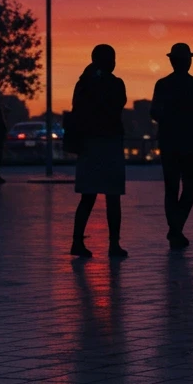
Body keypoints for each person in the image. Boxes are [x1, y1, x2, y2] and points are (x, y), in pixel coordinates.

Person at [150, 43, 193, 250]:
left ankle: (175, 229)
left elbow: (154, 113)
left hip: (169, 143)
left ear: (171, 61)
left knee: (171, 188)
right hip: (191, 144)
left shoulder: (162, 84)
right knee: (189, 187)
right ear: (188, 61)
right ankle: (176, 229)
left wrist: (169, 118)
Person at [70, 45, 128, 258]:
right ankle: (113, 244)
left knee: (88, 196)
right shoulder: (115, 84)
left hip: (88, 145)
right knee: (113, 196)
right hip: (109, 143)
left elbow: (77, 108)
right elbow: (118, 104)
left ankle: (77, 241)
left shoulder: (83, 83)